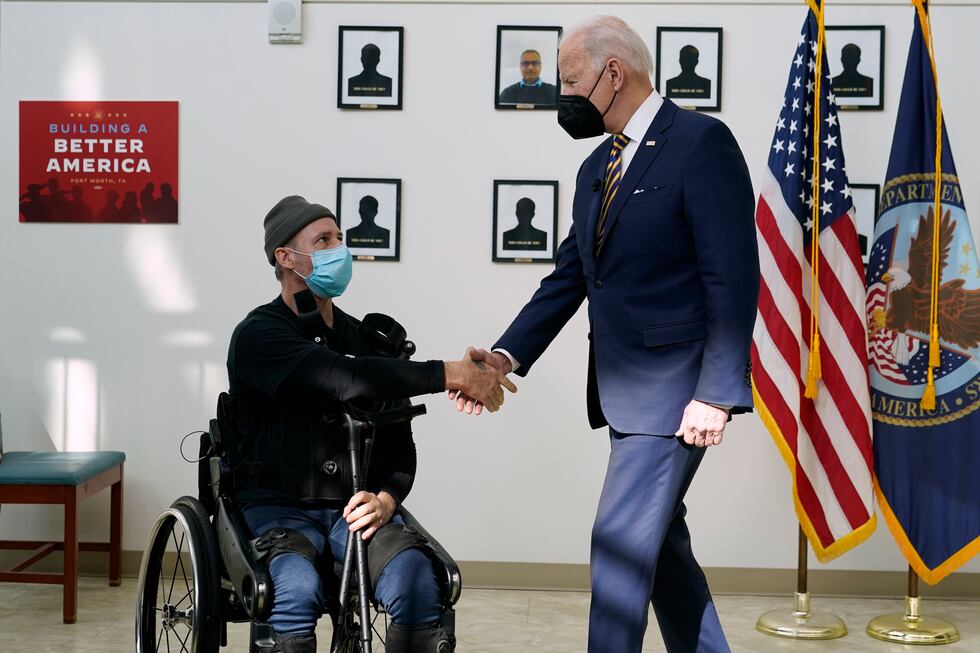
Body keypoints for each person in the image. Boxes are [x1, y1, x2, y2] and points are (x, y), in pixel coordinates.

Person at [457, 16, 758, 653]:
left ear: (612, 72)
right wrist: (505, 357)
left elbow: (732, 278)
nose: (563, 96)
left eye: (570, 81)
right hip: (623, 392)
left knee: (619, 549)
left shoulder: (702, 143)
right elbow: (573, 274)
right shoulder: (597, 165)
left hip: (675, 394)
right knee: (662, 550)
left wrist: (717, 392)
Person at [226, 195, 515, 653]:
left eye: (340, 239)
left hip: (355, 511)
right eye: (323, 240)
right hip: (276, 508)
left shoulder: (367, 339)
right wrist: (451, 373)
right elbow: (344, 379)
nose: (339, 249)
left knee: (417, 578)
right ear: (285, 258)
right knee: (294, 588)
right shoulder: (259, 336)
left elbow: (401, 446)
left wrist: (385, 499)